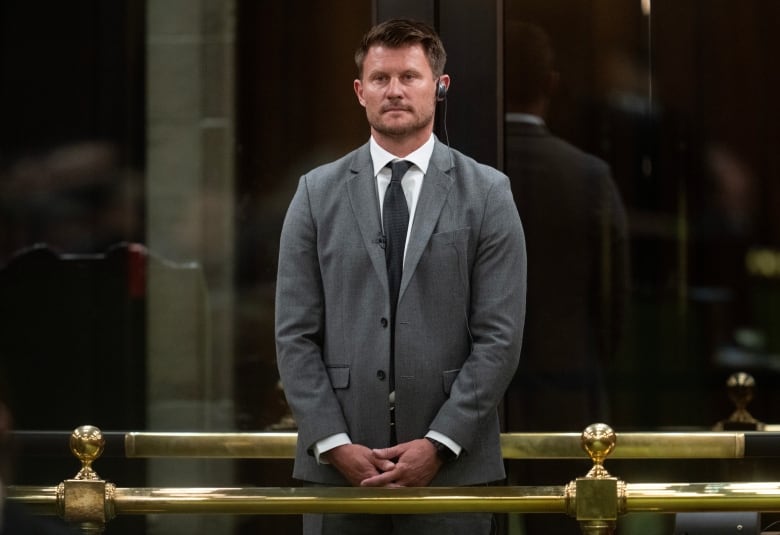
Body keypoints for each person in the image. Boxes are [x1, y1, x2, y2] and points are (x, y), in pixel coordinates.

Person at [275, 18, 527, 535]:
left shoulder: (488, 193)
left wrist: (439, 444)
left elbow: (500, 338)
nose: (394, 90)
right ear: (359, 91)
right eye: (380, 78)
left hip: (454, 470)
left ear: (439, 85)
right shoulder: (314, 193)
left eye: (409, 77)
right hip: (337, 472)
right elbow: (294, 335)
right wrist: (333, 442)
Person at [502, 22, 629, 535]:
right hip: (568, 390)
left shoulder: (452, 174)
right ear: (551, 83)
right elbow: (613, 295)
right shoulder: (587, 175)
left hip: (464, 403)